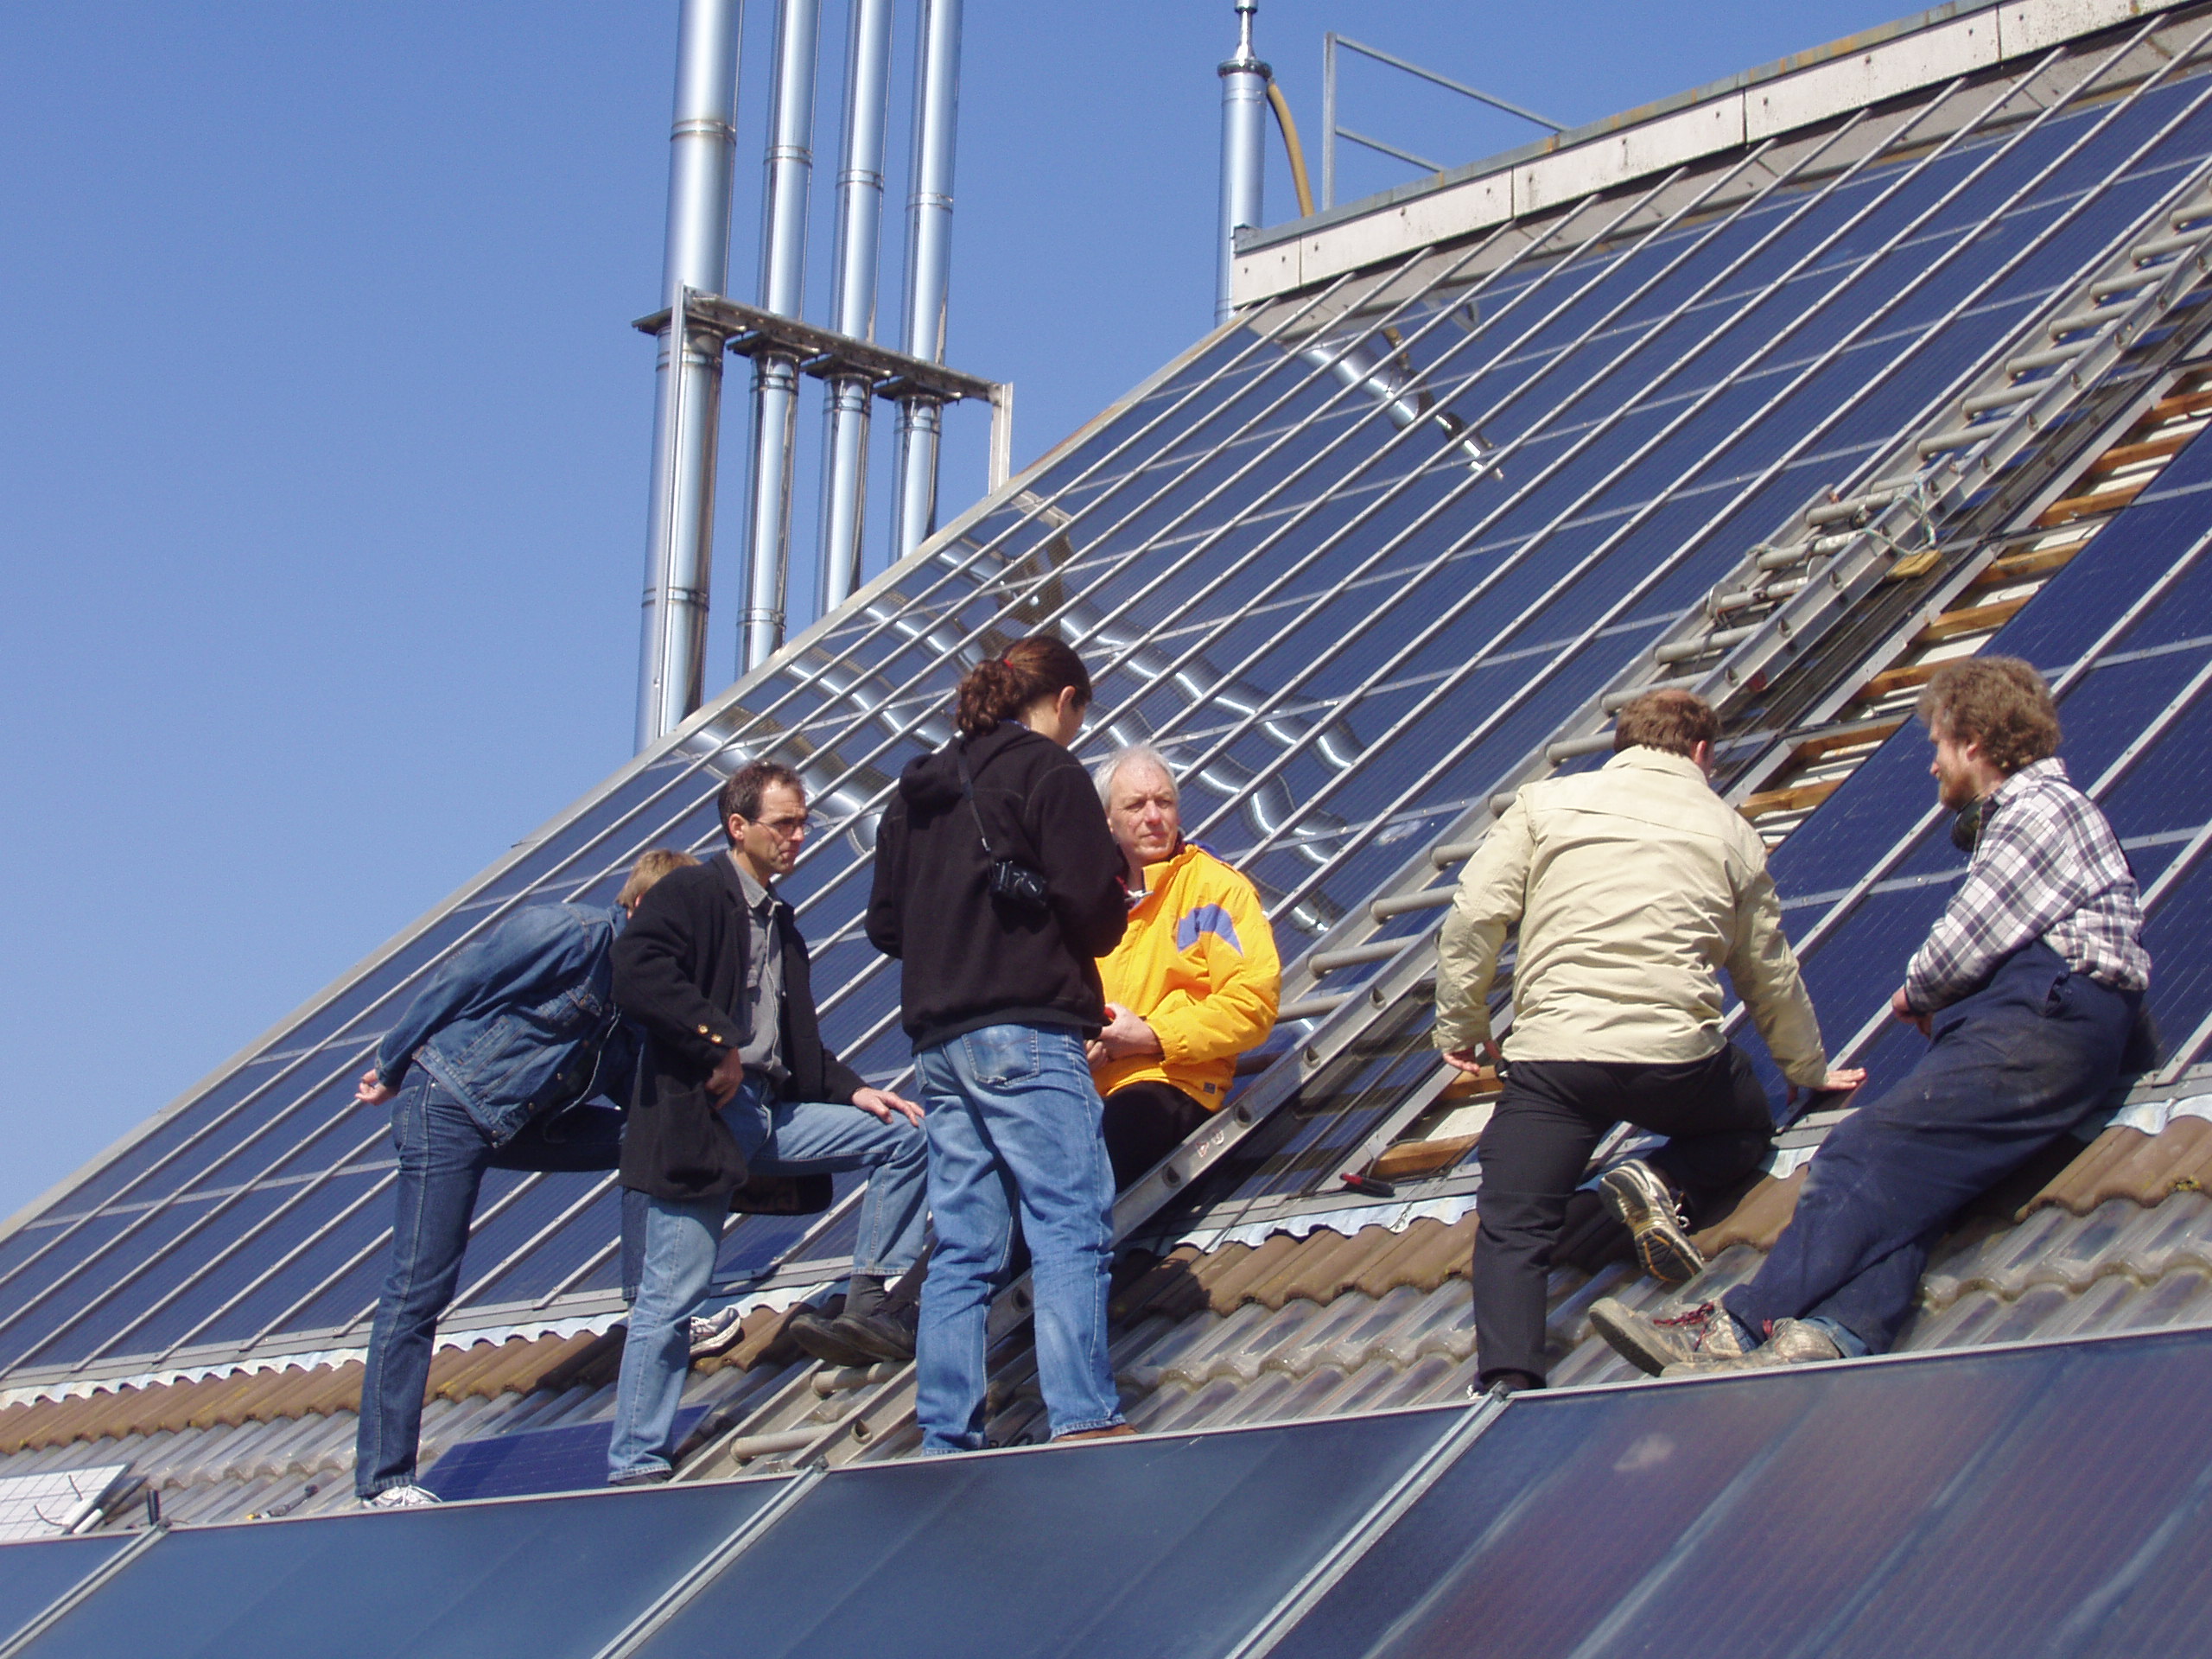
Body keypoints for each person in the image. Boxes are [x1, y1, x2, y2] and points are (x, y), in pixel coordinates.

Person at [1592, 658, 2150, 1376]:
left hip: (2040, 1021)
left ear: (1974, 741)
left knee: (1860, 1152)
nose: (1932, 767)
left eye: (1938, 746)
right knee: (1918, 1186)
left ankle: (1733, 1328)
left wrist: (1913, 995)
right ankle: (1834, 1331)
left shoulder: (2039, 809)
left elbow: (1967, 939)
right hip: (2050, 1025)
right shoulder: (2045, 813)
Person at [1434, 688, 1864, 1397]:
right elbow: (1767, 967)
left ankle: (1508, 1380)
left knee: (1514, 1222)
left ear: (1622, 745)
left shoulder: (1544, 805)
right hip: (1677, 1064)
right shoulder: (1731, 832)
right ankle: (1662, 1181)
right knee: (1745, 1128)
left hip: (1554, 1062)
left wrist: (1463, 1026)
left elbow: (1475, 914)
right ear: (1702, 752)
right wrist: (1807, 1067)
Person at [607, 761, 929, 1485]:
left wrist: (854, 1093)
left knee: (907, 1135)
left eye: (803, 821)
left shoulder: (782, 925)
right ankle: (635, 1463)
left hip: (771, 1114)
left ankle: (869, 1294)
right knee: (672, 1297)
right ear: (738, 827)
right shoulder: (693, 892)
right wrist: (711, 1040)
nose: (799, 836)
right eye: (784, 823)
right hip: (706, 1119)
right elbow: (634, 967)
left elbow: (800, 1045)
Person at [353, 848, 697, 1509]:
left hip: (519, 1120)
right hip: (449, 1102)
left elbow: (638, 1095)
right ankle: (384, 1480)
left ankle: (645, 1298)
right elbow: (462, 977)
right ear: (640, 908)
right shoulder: (569, 934)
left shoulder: (640, 994)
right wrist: (392, 1065)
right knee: (419, 1288)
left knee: (648, 1136)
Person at [867, 635, 1132, 1452]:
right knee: (1068, 1221)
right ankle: (1082, 1415)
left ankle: (947, 1432)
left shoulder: (914, 796)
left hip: (940, 1044)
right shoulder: (1051, 774)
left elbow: (885, 926)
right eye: (1079, 716)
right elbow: (1094, 912)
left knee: (965, 1245)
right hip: (1027, 1031)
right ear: (1062, 702)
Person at [1087, 744, 1281, 1188]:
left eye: (1164, 802)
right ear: (1108, 822)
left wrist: (1152, 1037)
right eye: (1136, 805)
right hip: (1092, 1088)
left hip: (1173, 1082)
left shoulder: (1215, 889)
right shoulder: (1090, 903)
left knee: (1075, 1188)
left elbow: (1252, 1006)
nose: (1153, 816)